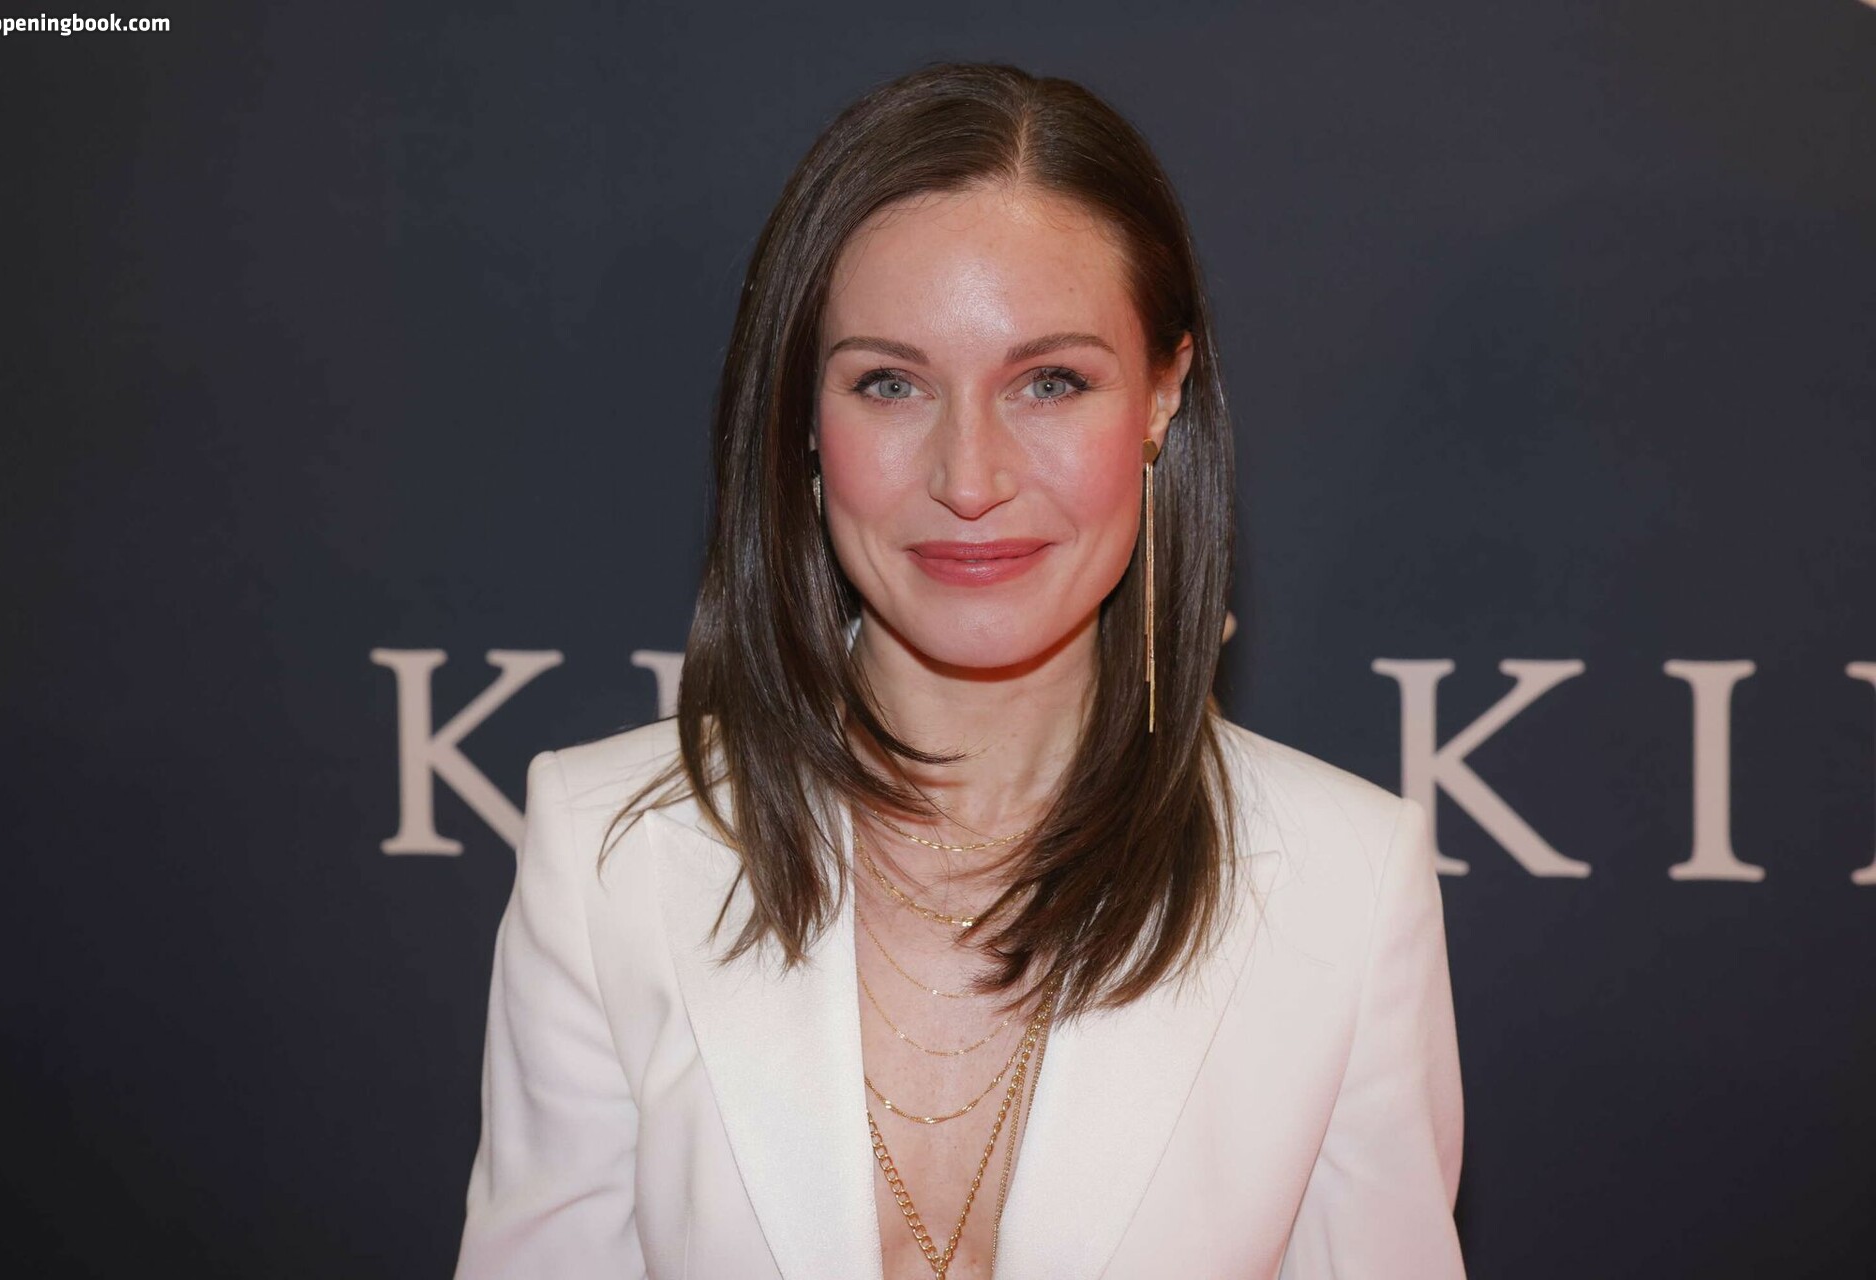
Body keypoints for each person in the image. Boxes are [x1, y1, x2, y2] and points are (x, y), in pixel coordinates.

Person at [454, 61, 1464, 1280]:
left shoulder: (1346, 885)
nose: (970, 477)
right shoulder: (607, 851)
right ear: (803, 418)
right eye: (890, 382)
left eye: (1050, 381)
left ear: (1162, 396)